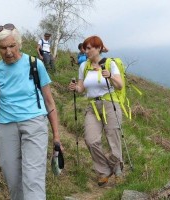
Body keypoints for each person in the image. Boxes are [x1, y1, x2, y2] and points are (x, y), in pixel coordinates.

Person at [0, 23, 62, 200]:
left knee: (33, 178)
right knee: (14, 180)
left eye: (12, 46)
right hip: (5, 127)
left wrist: (56, 136)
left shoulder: (35, 65)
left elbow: (49, 102)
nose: (8, 52)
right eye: (3, 48)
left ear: (19, 43)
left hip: (34, 124)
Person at [68, 35, 123, 187]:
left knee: (113, 139)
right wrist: (75, 88)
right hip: (92, 106)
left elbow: (120, 85)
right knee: (91, 140)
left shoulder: (110, 64)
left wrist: (110, 76)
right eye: (85, 48)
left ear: (98, 48)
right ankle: (104, 170)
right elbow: (81, 88)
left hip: (110, 104)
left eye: (89, 48)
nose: (86, 51)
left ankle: (117, 170)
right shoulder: (83, 66)